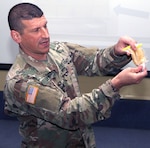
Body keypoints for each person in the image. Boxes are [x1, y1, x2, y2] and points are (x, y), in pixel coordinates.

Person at [3, 2, 147, 148]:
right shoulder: (21, 82)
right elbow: (69, 114)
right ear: (16, 36)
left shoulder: (59, 50)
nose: (45, 35)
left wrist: (116, 52)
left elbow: (94, 61)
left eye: (45, 26)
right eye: (36, 30)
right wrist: (115, 85)